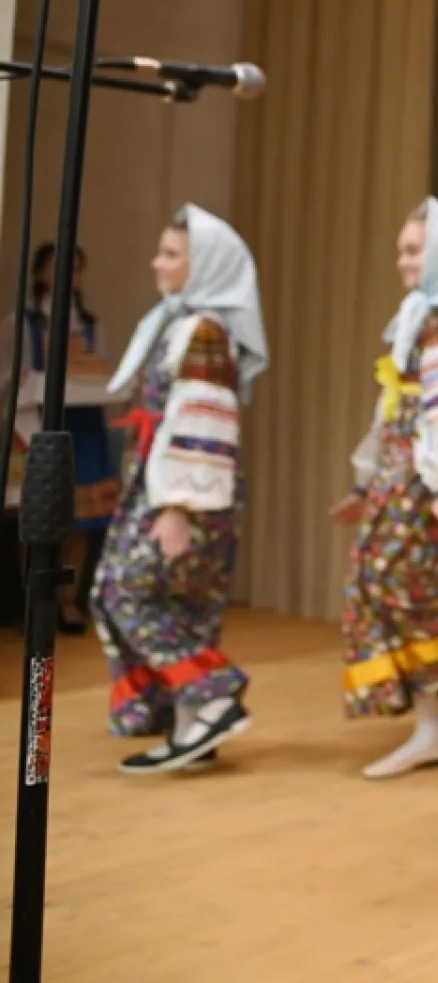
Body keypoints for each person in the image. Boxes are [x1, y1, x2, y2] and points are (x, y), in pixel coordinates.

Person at [331, 198, 438, 779]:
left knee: (402, 582)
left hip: (426, 479)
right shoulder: (419, 316)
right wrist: (365, 480)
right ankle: (431, 722)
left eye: (415, 250)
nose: (404, 262)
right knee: (377, 585)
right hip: (400, 475)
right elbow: (395, 410)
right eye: (401, 251)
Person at [93, 205, 270, 775]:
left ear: (205, 265)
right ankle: (193, 728)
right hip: (173, 486)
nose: (156, 263)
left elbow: (203, 424)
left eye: (171, 254)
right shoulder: (188, 325)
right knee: (183, 603)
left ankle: (213, 694)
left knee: (124, 590)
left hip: (183, 492)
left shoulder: (202, 333)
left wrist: (176, 507)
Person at [3, 243, 120, 633]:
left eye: (75, 269)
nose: (67, 276)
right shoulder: (22, 321)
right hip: (39, 422)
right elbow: (6, 370)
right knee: (39, 517)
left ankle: (70, 603)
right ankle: (36, 600)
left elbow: (100, 372)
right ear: (40, 273)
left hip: (84, 422)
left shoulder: (90, 324)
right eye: (57, 268)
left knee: (82, 518)